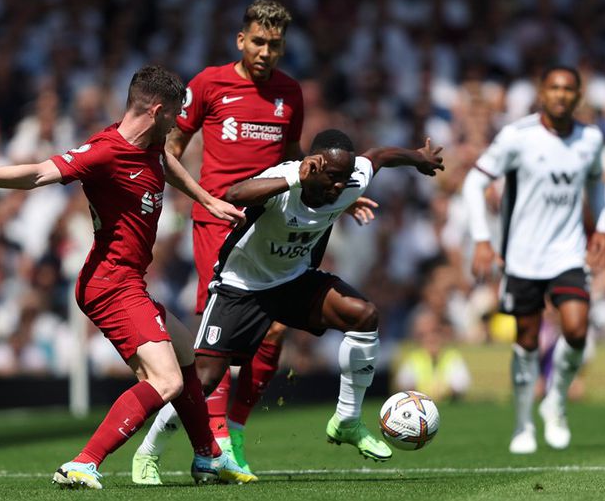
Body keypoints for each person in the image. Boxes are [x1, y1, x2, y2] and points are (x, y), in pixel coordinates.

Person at [0, 65, 256, 489]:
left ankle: (207, 458)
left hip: (128, 282)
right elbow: (38, 173)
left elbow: (166, 161)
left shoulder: (152, 144)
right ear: (157, 110)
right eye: (176, 113)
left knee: (185, 357)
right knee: (166, 380)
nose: (180, 122)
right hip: (110, 284)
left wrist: (207, 200)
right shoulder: (105, 151)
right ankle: (82, 463)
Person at [134, 0, 374, 482]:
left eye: (275, 44)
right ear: (241, 40)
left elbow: (295, 158)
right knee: (212, 345)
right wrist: (192, 199)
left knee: (276, 331)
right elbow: (171, 149)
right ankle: (214, 439)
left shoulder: (290, 93)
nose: (266, 52)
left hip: (272, 223)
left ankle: (233, 434)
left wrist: (335, 199)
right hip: (219, 221)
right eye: (258, 42)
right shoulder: (209, 84)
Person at [139, 129, 444, 469]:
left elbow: (379, 155)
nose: (340, 186)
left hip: (292, 280)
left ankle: (346, 421)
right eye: (332, 177)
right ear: (312, 166)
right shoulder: (285, 178)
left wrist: (418, 158)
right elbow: (235, 193)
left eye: (345, 178)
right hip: (241, 285)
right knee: (206, 378)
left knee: (364, 315)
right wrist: (295, 178)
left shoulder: (352, 180)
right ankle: (149, 452)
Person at [462, 65, 605, 454]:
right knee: (526, 341)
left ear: (578, 97)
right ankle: (523, 423)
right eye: (554, 88)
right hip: (522, 257)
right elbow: (475, 182)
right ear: (541, 93)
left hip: (567, 252)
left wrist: (603, 227)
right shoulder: (517, 137)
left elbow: (596, 183)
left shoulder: (590, 139)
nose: (561, 95)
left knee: (577, 330)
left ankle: (556, 402)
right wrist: (482, 239)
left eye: (568, 89)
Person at [390, 307, 471, 402]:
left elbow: (461, 387)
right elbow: (402, 385)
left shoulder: (452, 356)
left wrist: (444, 393)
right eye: (425, 335)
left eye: (435, 333)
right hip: (420, 405)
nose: (431, 339)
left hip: (449, 405)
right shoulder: (414, 358)